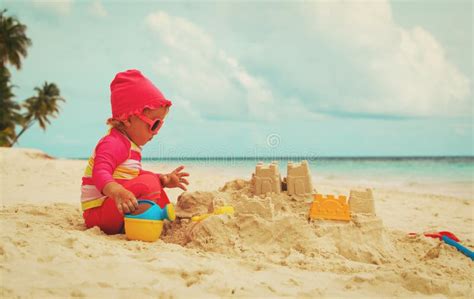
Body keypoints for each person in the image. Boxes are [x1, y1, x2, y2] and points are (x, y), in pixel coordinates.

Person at [80, 69, 189, 234]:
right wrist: (117, 192)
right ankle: (146, 218)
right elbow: (100, 172)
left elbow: (133, 174)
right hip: (99, 211)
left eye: (160, 125)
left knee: (151, 181)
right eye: (154, 125)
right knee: (148, 183)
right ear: (128, 119)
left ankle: (160, 216)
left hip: (113, 207)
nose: (156, 132)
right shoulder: (113, 143)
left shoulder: (131, 146)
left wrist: (163, 180)